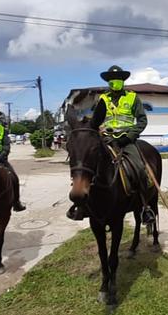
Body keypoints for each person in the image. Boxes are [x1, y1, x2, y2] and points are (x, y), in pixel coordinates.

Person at [66, 65, 154, 224]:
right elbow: (95, 120)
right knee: (89, 166)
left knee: (139, 168)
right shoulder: (103, 99)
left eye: (118, 80)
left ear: (123, 81)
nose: (115, 83)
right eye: (112, 80)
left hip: (127, 140)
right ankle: (82, 205)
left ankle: (144, 207)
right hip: (106, 139)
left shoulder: (132, 98)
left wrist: (128, 137)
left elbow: (142, 120)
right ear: (108, 82)